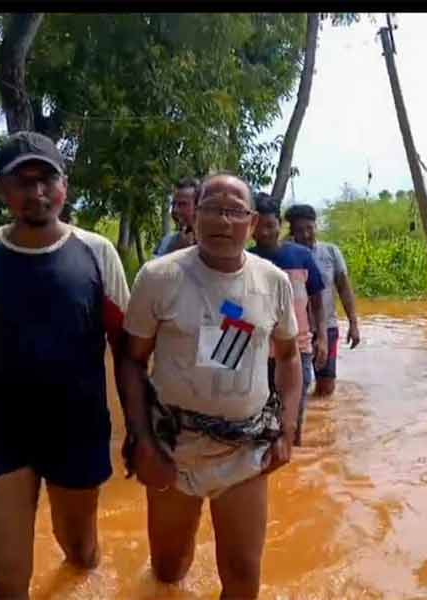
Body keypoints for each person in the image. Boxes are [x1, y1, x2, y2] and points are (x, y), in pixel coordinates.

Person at [0, 131, 130, 600]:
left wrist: (143, 431)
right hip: (2, 433)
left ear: (65, 184)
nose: (37, 193)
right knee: (4, 580)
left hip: (78, 430)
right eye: (23, 182)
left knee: (80, 553)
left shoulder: (97, 253)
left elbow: (129, 350)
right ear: (3, 191)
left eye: (47, 179)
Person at [116, 173, 302, 597]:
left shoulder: (272, 282)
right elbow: (131, 361)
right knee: (168, 569)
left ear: (252, 223)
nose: (223, 219)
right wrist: (143, 442)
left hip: (245, 447)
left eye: (235, 210)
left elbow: (289, 358)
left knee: (242, 577)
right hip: (172, 446)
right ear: (194, 217)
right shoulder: (159, 277)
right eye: (212, 208)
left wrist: (287, 431)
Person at [249, 192, 327, 446]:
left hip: (298, 349)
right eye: (258, 226)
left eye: (270, 225)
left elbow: (317, 301)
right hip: (257, 352)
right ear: (251, 226)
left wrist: (323, 338)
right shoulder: (245, 260)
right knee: (259, 419)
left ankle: (295, 467)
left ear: (280, 224)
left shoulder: (301, 257)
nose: (264, 233)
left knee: (293, 418)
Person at [284, 203, 361, 397]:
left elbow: (344, 288)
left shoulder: (331, 252)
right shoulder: (286, 255)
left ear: (316, 226)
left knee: (326, 390)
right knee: (293, 387)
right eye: (300, 230)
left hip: (328, 327)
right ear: (292, 232)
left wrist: (353, 323)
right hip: (295, 330)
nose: (306, 234)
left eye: (309, 228)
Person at [154, 177, 199, 257]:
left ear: (198, 206)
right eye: (173, 204)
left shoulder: (212, 244)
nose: (175, 210)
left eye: (182, 204)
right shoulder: (165, 243)